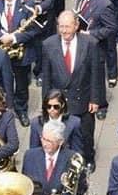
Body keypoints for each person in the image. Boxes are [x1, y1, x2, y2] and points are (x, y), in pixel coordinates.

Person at [41, 10, 101, 169]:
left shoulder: (90, 43)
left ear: (76, 26)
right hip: (59, 101)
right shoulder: (48, 44)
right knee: (61, 132)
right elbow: (46, 77)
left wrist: (96, 99)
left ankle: (88, 158)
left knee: (86, 134)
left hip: (83, 98)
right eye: (61, 27)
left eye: (67, 27)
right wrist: (47, 104)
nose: (64, 31)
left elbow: (96, 73)